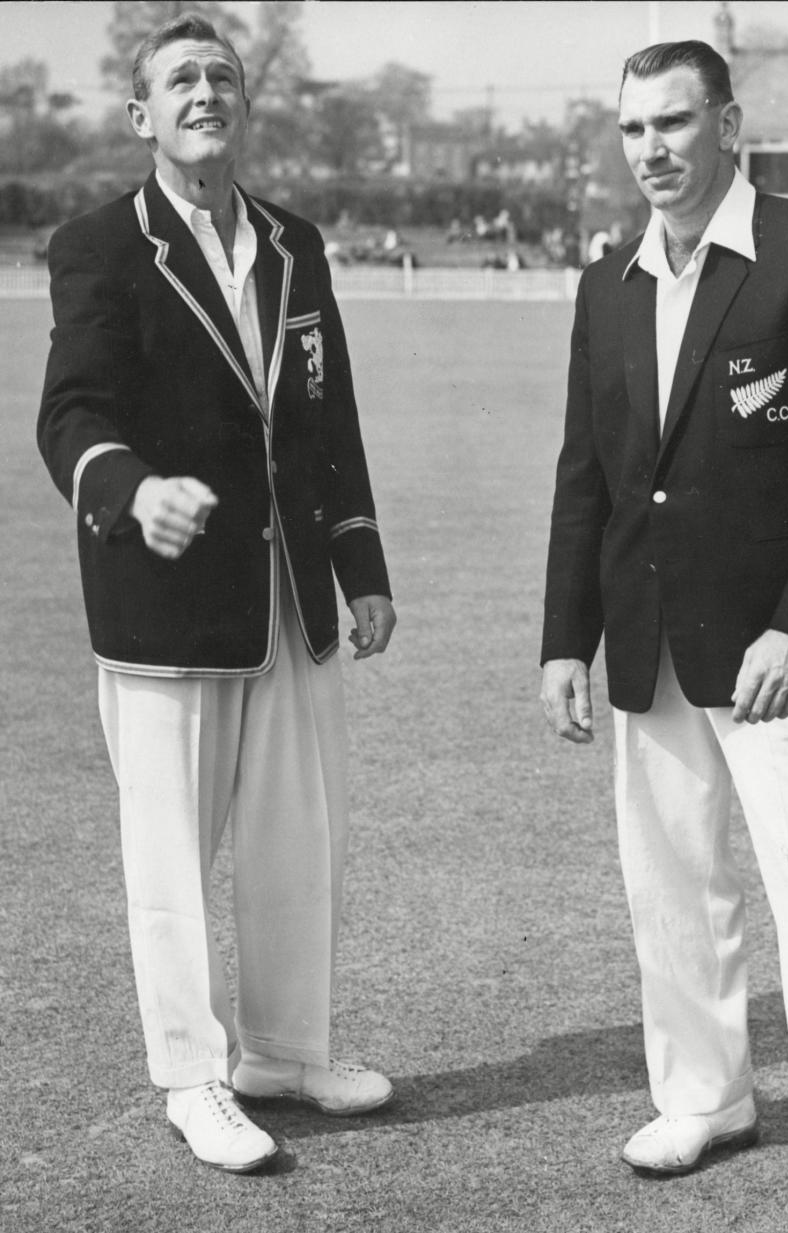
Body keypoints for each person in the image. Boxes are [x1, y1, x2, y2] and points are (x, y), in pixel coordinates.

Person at [540, 41, 788, 1233]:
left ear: (730, 126)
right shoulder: (608, 282)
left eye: (676, 124)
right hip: (649, 642)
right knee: (673, 892)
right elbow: (587, 475)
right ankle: (706, 1097)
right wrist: (563, 640)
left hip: (778, 660)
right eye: (635, 128)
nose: (653, 150)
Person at [38, 15, 397, 1174]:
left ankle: (285, 1053)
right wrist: (131, 492)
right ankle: (194, 1077)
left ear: (245, 106)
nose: (207, 91)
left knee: (302, 835)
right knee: (170, 862)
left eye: (224, 76)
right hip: (165, 601)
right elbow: (72, 412)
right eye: (181, 79)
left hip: (290, 594)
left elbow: (326, 412)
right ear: (142, 114)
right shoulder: (97, 246)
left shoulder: (297, 242)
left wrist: (361, 567)